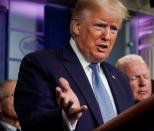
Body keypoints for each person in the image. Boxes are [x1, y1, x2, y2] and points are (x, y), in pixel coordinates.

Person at [14, 0, 134, 131]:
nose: (107, 36)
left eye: (113, 29)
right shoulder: (40, 64)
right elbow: (32, 124)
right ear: (77, 26)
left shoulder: (121, 79)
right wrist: (66, 117)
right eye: (100, 26)